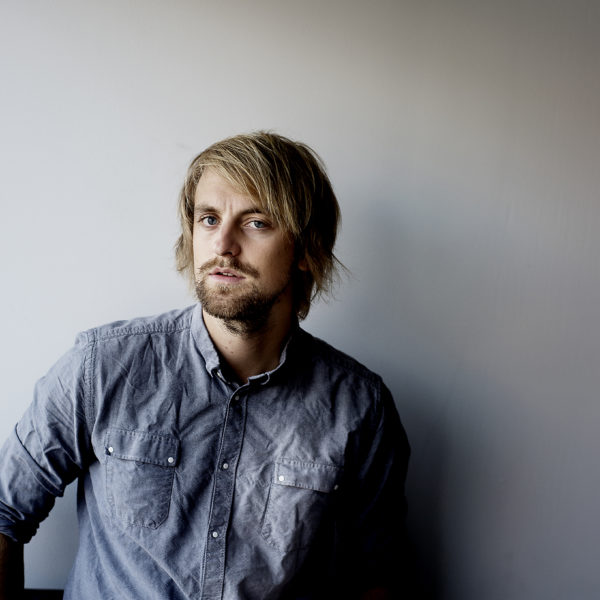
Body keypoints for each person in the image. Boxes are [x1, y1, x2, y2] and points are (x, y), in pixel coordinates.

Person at [0, 132, 411, 599]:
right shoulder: (101, 367)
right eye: (209, 219)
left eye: (256, 222)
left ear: (305, 248)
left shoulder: (359, 406)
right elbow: (4, 511)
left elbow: (377, 572)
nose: (223, 245)